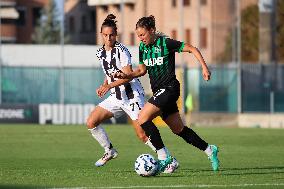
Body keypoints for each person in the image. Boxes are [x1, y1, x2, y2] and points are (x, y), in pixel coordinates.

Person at [114, 15, 220, 171]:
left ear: (152, 30)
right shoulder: (143, 48)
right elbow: (142, 70)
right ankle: (210, 150)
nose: (140, 38)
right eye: (138, 36)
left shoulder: (166, 43)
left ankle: (164, 157)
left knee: (142, 117)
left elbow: (192, 49)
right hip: (160, 93)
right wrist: (126, 75)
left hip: (170, 88)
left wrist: (204, 67)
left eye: (143, 34)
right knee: (179, 130)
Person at [86, 14, 176, 173]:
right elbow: (110, 74)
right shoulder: (100, 53)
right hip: (116, 97)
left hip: (132, 96)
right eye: (105, 35)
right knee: (91, 121)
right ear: (101, 35)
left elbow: (127, 76)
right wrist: (105, 85)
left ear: (116, 35)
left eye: (111, 35)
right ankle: (109, 151)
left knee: (142, 135)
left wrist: (109, 86)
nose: (108, 38)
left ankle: (168, 159)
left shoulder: (122, 51)